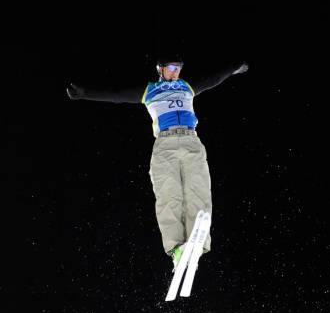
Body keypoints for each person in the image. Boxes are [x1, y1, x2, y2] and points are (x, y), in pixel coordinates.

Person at [66, 56, 249, 269]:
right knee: (169, 196)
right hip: (165, 145)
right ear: (161, 69)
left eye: (179, 68)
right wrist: (85, 94)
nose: (175, 72)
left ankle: (196, 246)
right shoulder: (149, 91)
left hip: (192, 142)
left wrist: (234, 68)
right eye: (171, 68)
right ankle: (176, 250)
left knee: (198, 192)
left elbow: (213, 79)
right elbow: (116, 96)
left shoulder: (187, 86)